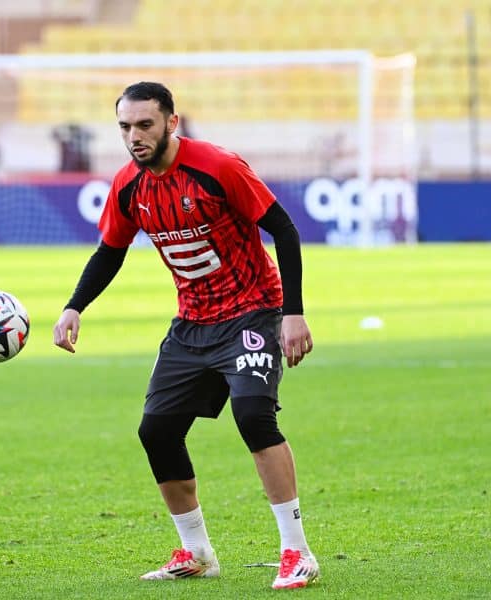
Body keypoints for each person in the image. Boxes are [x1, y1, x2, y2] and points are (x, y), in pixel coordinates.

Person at [53, 82, 319, 589]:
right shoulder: (128, 186)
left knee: (253, 416)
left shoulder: (217, 167)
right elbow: (110, 251)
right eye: (125, 127)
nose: (134, 136)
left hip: (252, 313)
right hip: (192, 322)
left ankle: (297, 551)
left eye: (145, 125)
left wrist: (293, 313)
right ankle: (197, 553)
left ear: (172, 123)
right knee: (156, 431)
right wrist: (74, 306)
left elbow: (283, 228)